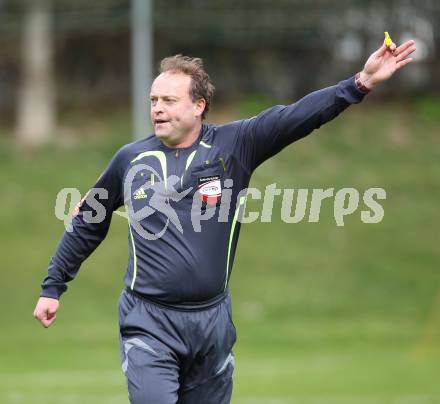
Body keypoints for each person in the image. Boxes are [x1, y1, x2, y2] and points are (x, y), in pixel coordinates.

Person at [34, 39, 416, 403]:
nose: (157, 109)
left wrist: (360, 83)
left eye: (169, 100)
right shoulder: (130, 159)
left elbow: (297, 117)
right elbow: (88, 221)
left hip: (211, 325)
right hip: (147, 321)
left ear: (199, 105)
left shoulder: (234, 146)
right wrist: (54, 286)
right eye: (153, 100)